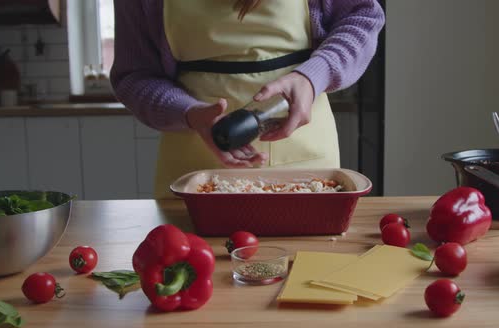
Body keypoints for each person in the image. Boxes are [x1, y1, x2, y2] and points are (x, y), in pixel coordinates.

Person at [111, 0, 385, 199]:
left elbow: (362, 17)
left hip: (306, 160)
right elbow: (134, 75)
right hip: (194, 162)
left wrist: (313, 75)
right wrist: (189, 113)